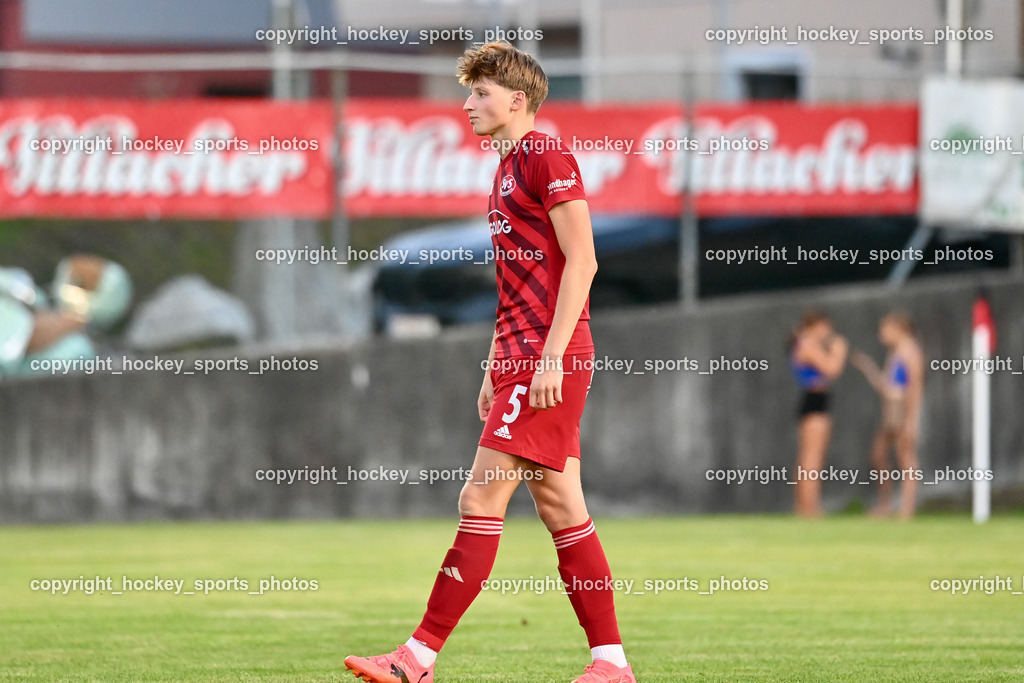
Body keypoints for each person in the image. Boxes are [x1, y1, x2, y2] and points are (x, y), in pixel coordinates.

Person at [343, 42, 636, 683]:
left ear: (517, 100)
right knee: (561, 506)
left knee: (480, 495)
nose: (468, 104)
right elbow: (517, 283)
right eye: (469, 92)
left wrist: (549, 358)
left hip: (548, 356)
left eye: (480, 93)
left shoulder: (545, 155)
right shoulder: (505, 170)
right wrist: (493, 364)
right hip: (519, 356)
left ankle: (416, 659)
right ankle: (611, 665)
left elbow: (583, 261)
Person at [851, 312, 925, 519]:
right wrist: (867, 366)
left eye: (885, 329)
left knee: (906, 458)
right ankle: (885, 505)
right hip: (890, 410)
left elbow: (915, 387)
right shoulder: (895, 353)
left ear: (899, 328)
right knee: (878, 455)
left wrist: (911, 420)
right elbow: (885, 386)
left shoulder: (911, 352)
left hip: (902, 409)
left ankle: (906, 509)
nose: (882, 334)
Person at [789, 310, 848, 518]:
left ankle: (804, 507)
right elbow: (832, 369)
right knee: (812, 459)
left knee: (808, 457)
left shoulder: (804, 343)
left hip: (815, 402)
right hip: (814, 403)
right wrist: (840, 349)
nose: (828, 332)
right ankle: (810, 508)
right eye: (825, 327)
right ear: (815, 325)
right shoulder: (807, 344)